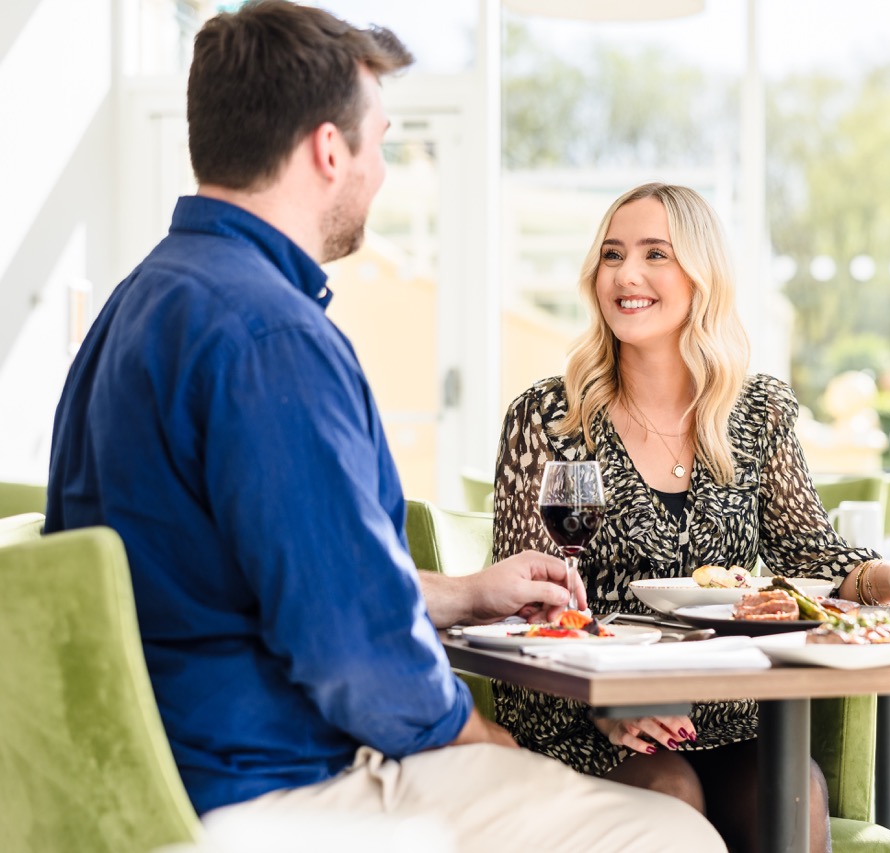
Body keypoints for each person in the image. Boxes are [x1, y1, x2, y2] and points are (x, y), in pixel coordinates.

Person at [43, 5, 724, 852]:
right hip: (270, 787)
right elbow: (352, 649)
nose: (382, 171)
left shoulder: (140, 303)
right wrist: (476, 735)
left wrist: (465, 592)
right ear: (332, 150)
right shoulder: (272, 335)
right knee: (670, 831)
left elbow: (267, 575)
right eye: (382, 143)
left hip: (155, 775)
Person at [491, 182, 890, 853]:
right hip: (587, 713)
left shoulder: (758, 412)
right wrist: (605, 700)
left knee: (796, 791)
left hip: (724, 712)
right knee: (671, 793)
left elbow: (812, 560)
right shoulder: (550, 417)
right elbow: (525, 606)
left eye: (656, 254)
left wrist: (889, 579)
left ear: (701, 277)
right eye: (613, 255)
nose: (627, 275)